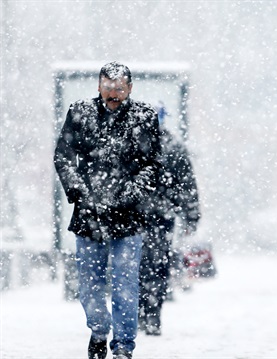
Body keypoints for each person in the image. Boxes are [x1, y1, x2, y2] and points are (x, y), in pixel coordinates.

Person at [54, 62, 161, 359]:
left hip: (129, 214)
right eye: (108, 87)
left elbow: (152, 164)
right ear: (98, 85)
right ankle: (99, 329)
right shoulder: (80, 113)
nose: (113, 93)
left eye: (119, 88)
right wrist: (78, 190)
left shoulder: (144, 117)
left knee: (126, 282)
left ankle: (124, 346)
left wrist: (131, 193)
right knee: (90, 283)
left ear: (130, 88)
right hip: (89, 213)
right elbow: (63, 156)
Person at [138, 105, 201, 336]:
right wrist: (191, 215)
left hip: (135, 218)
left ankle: (139, 312)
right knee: (157, 265)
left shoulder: (133, 144)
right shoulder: (173, 146)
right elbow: (187, 185)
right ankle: (152, 312)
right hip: (161, 218)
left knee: (135, 266)